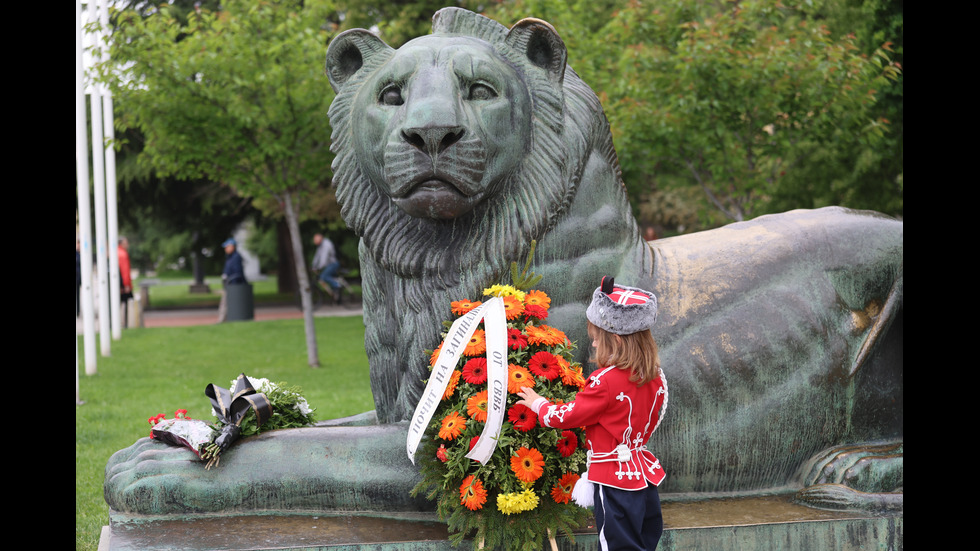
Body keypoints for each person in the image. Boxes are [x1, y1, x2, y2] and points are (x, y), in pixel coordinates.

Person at [517, 276, 668, 550]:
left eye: (598, 339)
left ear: (617, 342)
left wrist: (539, 403)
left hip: (613, 481)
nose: (595, 345)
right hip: (645, 480)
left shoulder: (604, 381)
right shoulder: (655, 376)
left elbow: (566, 416)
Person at [311, 233, 341, 301]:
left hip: (334, 264)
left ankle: (337, 285)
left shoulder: (326, 244)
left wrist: (318, 267)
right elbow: (317, 257)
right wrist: (313, 265)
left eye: (315, 240)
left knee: (323, 276)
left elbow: (324, 259)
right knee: (326, 277)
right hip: (329, 265)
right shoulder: (320, 245)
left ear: (320, 238)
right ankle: (336, 295)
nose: (314, 241)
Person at [118, 237, 134, 327]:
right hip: (124, 284)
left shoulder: (115, 252)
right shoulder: (123, 254)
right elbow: (125, 271)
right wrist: (126, 284)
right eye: (126, 243)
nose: (128, 245)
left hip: (119, 283)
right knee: (125, 303)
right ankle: (125, 323)